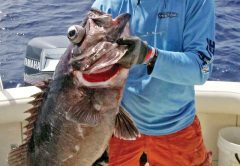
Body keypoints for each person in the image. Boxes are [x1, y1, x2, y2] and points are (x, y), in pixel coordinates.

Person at [91, 0, 215, 165]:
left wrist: (149, 55)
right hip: (120, 126)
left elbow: (201, 70)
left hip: (176, 126)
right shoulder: (106, 4)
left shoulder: (197, 2)